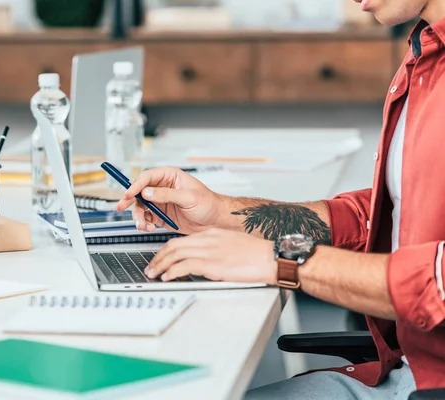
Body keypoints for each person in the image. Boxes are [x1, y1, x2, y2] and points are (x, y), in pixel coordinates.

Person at [116, 0, 445, 398]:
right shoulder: (426, 57)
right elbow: (376, 218)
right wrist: (221, 212)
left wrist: (283, 262)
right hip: (404, 372)